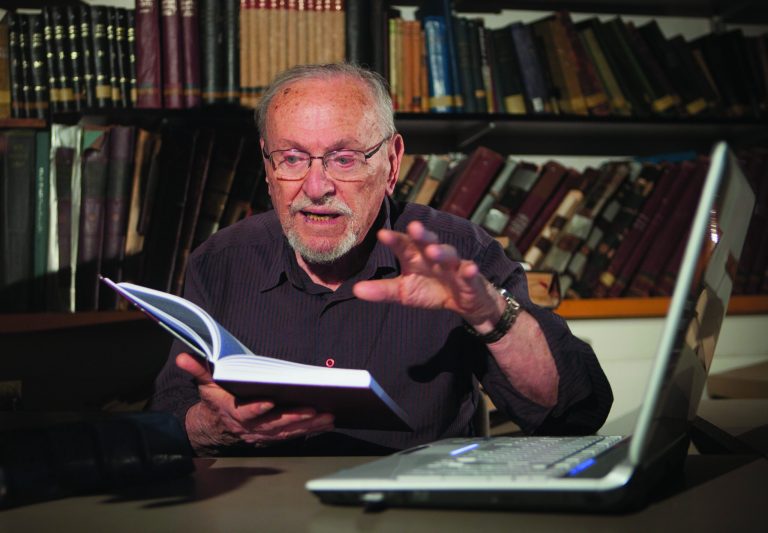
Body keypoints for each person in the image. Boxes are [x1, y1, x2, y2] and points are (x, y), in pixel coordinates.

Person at [148, 63, 613, 456]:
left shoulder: (456, 253)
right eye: (291, 158)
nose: (316, 187)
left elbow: (572, 415)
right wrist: (214, 424)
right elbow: (170, 417)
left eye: (344, 159)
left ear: (391, 163)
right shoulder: (221, 261)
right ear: (267, 167)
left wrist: (492, 316)